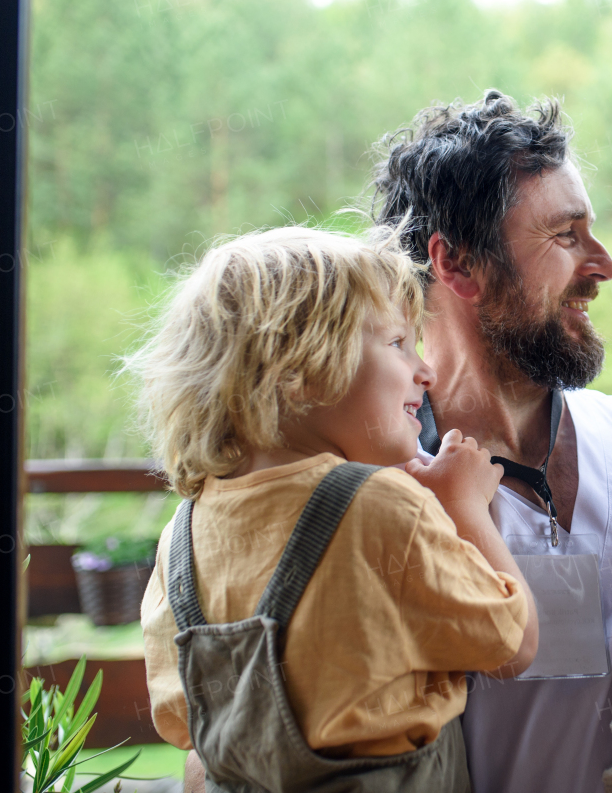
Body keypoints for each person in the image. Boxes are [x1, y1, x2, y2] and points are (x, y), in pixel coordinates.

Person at [184, 93, 612, 793]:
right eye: (565, 235)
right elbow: (228, 747)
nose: (604, 264)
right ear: (458, 265)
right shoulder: (350, 504)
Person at [134, 226, 538, 792]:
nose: (425, 370)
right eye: (398, 343)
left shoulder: (183, 533)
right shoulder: (381, 506)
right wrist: (462, 505)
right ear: (299, 371)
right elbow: (511, 644)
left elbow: (183, 721)